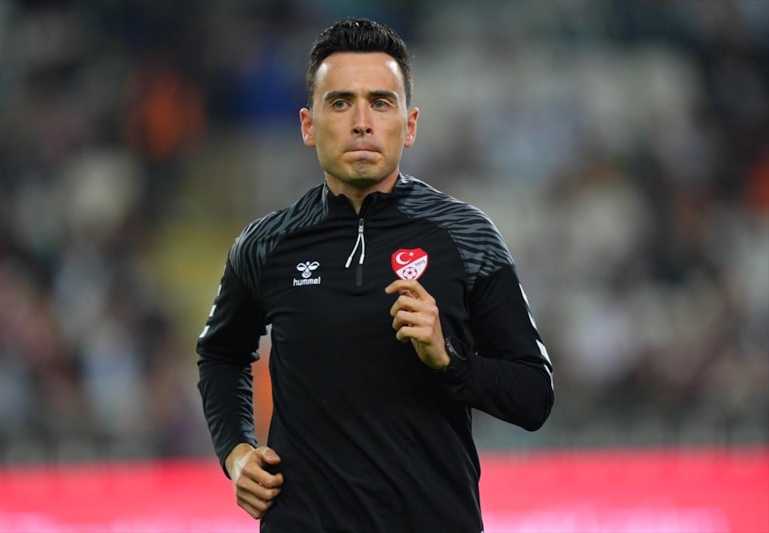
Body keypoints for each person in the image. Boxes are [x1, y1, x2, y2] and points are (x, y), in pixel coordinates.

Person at [197, 18, 554, 532]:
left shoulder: (466, 237)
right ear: (307, 125)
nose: (361, 122)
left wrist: (449, 359)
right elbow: (220, 354)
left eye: (381, 103)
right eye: (341, 102)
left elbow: (534, 396)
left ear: (410, 125)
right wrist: (236, 453)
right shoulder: (265, 245)